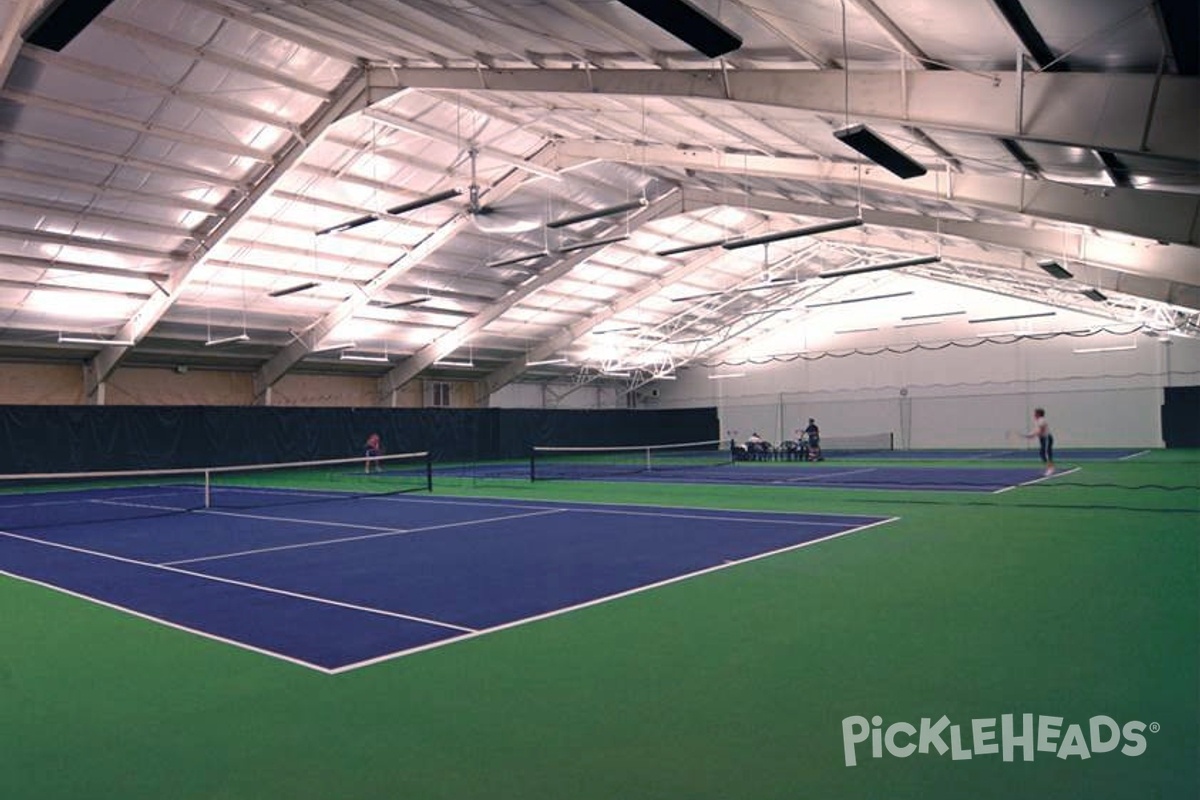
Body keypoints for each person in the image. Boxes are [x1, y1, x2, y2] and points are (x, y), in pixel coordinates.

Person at [1024, 408, 1055, 475]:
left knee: (1046, 453)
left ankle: (1050, 469)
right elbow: (1036, 430)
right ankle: (1049, 467)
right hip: (1042, 439)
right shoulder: (1037, 421)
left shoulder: (1041, 420)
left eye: (1035, 413)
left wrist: (1032, 435)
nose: (1034, 414)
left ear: (1038, 414)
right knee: (1042, 453)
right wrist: (1030, 435)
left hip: (1047, 438)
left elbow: (1040, 430)